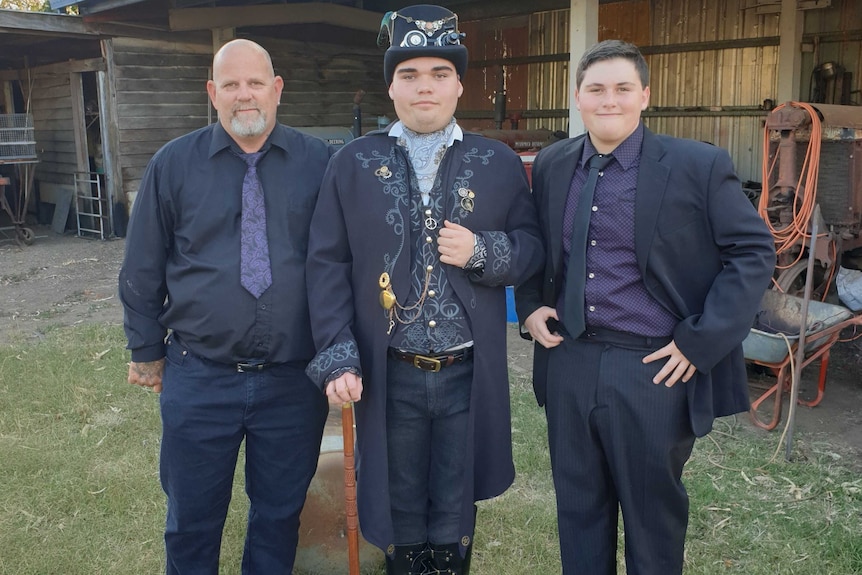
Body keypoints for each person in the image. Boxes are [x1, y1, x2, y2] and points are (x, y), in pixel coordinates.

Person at [515, 40, 775, 575]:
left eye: (622, 88)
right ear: (577, 97)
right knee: (578, 508)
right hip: (570, 358)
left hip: (653, 368)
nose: (609, 100)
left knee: (651, 515)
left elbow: (752, 252)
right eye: (597, 89)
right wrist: (531, 304)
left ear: (644, 96)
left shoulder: (696, 165)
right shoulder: (553, 163)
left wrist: (702, 339)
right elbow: (538, 243)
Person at [304, 5, 544, 574]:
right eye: (409, 75)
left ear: (460, 84)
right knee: (397, 492)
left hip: (467, 367)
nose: (425, 87)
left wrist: (484, 252)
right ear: (391, 86)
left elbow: (533, 246)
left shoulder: (499, 162)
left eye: (439, 74)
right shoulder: (353, 163)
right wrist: (338, 353)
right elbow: (325, 262)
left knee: (456, 498)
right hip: (389, 369)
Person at [118, 39, 331, 574]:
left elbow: (341, 263)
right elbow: (143, 265)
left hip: (292, 382)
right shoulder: (173, 164)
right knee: (191, 517)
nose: (244, 96)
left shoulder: (320, 163)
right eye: (230, 85)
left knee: (280, 515)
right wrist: (145, 349)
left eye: (255, 83)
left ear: (277, 89)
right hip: (200, 378)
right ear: (212, 93)